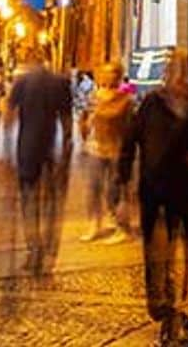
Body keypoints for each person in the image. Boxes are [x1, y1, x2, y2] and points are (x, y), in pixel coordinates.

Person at [118, 47, 188, 346]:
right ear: (166, 72)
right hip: (153, 193)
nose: (176, 73)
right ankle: (164, 311)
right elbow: (129, 144)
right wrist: (124, 190)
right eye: (173, 67)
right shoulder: (150, 104)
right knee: (158, 259)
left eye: (182, 67)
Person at [5, 46, 73, 276]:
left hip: (27, 148)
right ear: (47, 58)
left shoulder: (21, 83)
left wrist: (5, 152)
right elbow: (66, 120)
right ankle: (46, 248)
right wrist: (66, 149)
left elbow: (8, 116)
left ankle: (33, 247)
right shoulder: (60, 82)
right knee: (51, 202)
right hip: (49, 148)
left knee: (28, 199)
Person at [80, 60, 134, 243]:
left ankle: (121, 226)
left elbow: (129, 126)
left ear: (118, 76)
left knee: (114, 190)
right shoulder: (94, 95)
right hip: (96, 147)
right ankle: (94, 223)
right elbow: (85, 117)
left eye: (111, 73)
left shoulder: (125, 98)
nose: (106, 77)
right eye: (104, 73)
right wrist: (84, 133)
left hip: (116, 150)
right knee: (93, 188)